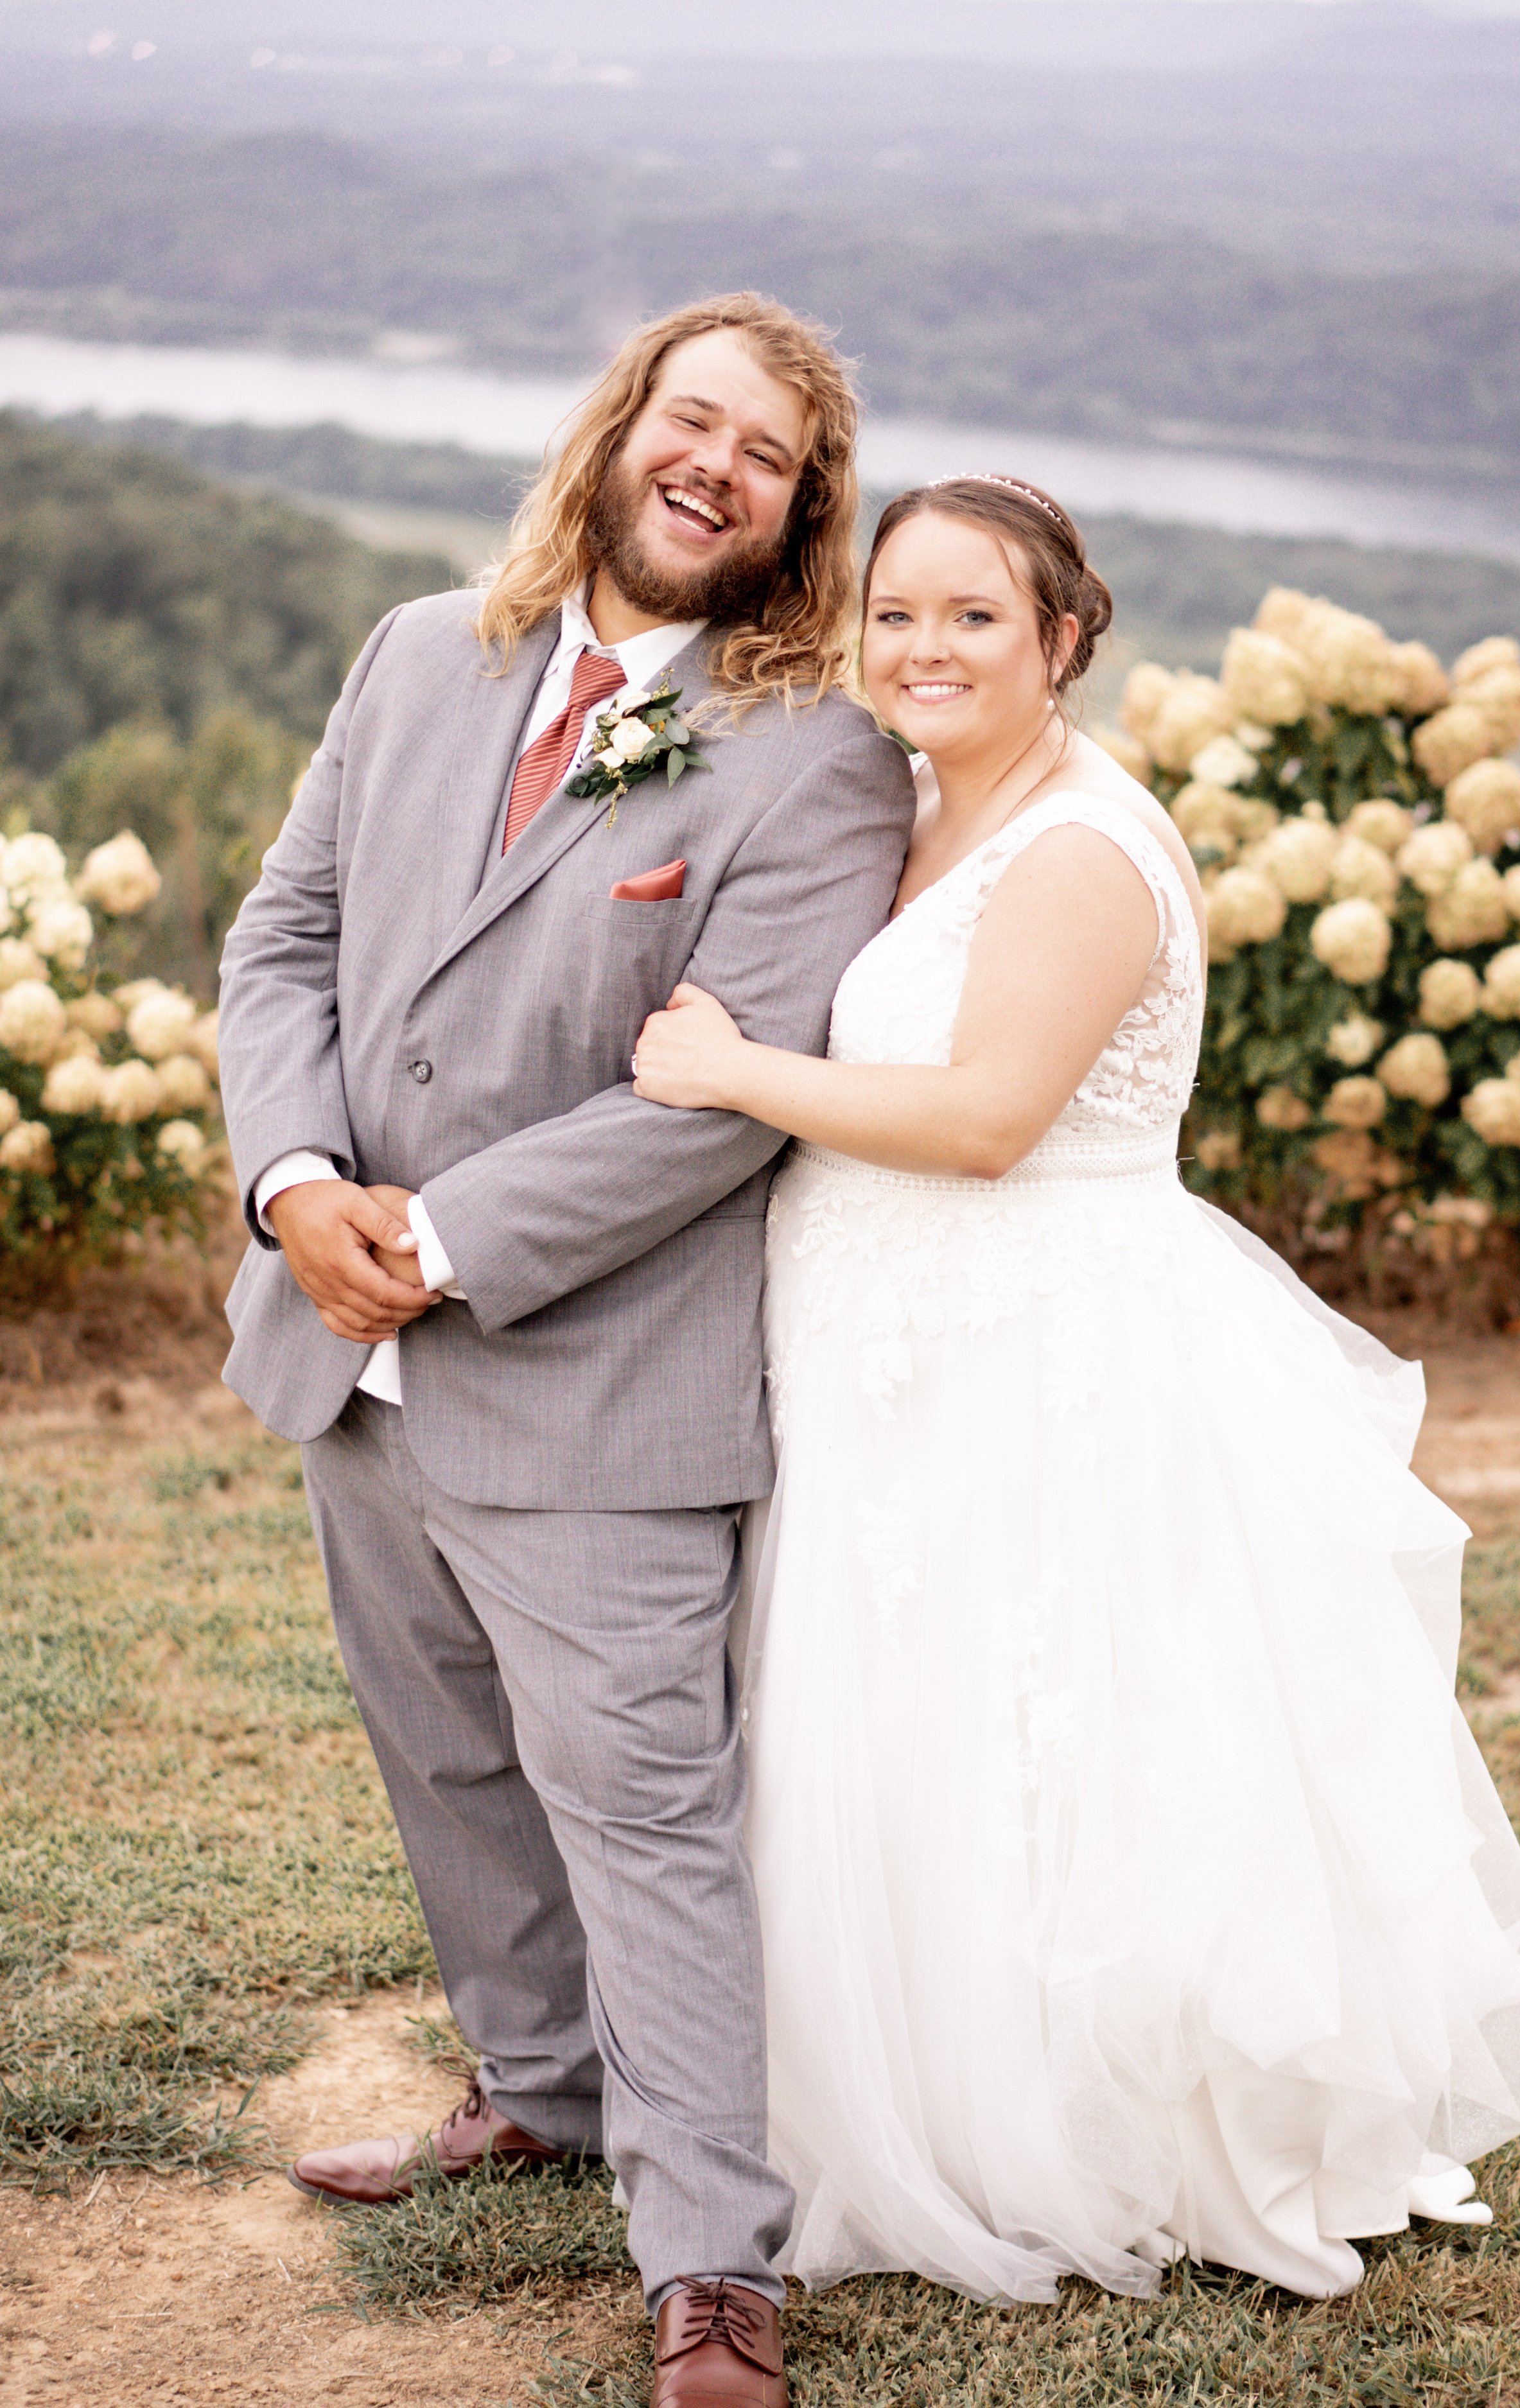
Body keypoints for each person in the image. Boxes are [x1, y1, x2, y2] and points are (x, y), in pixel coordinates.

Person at [630, 474, 1520, 2304]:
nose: (926, 647)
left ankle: (1074, 2125)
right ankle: (879, 2093)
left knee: (1047, 1731)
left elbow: (983, 1119)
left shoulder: (1076, 848)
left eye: (976, 616)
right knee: (909, 1717)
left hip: (1043, 1354)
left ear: (1061, 638)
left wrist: (732, 1071)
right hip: (899, 1348)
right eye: (896, 612)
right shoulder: (909, 805)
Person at [217, 293, 915, 2407]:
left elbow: (725, 1090)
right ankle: (537, 2088)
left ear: (800, 513)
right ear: (620, 432)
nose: (714, 465)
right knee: (442, 1756)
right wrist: (295, 1185)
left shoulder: (819, 752)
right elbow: (288, 937)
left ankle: (711, 2262)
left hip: (598, 1374)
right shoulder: (422, 650)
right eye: (688, 420)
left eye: (765, 454)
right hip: (343, 1336)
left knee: (641, 1813)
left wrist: (434, 1237)